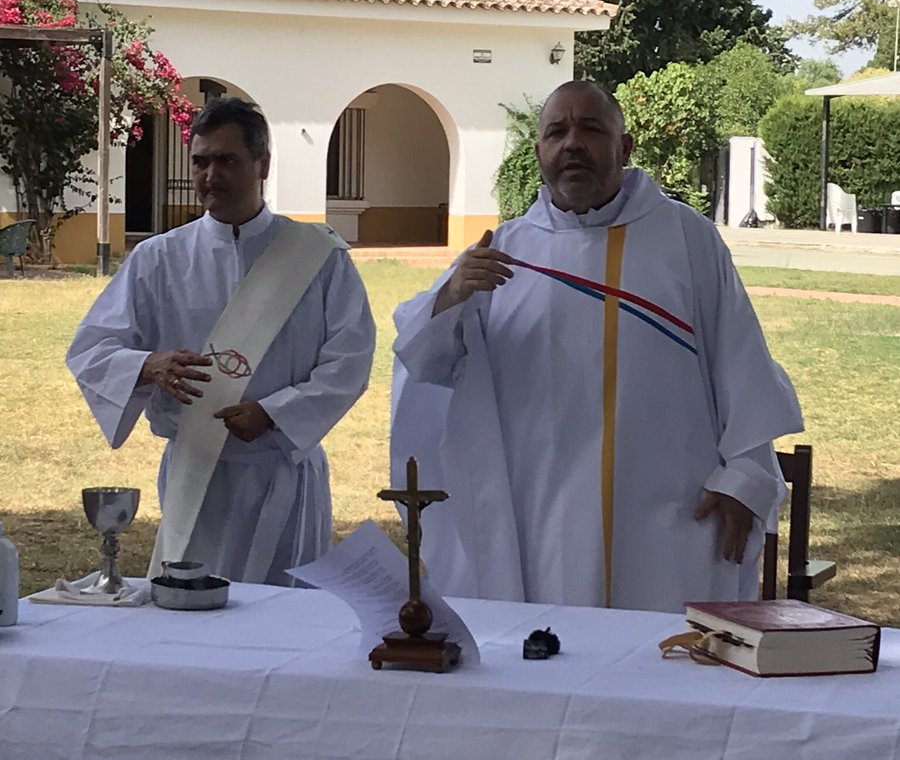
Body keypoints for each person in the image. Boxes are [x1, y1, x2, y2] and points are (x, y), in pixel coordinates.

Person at [391, 81, 802, 613]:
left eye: (591, 129)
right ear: (538, 150)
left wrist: (746, 475)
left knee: (661, 659)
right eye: (557, 131)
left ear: (624, 147)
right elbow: (426, 364)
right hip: (536, 507)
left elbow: (741, 362)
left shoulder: (686, 239)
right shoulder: (502, 252)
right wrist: (451, 296)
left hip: (672, 511)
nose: (573, 144)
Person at [68, 97, 375, 584]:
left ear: (263, 165)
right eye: (201, 160)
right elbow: (93, 349)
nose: (211, 174)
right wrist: (149, 365)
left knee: (286, 614)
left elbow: (349, 359)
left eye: (227, 160)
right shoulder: (158, 259)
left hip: (282, 468)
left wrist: (273, 413)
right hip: (197, 471)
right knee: (193, 614)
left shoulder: (319, 258)